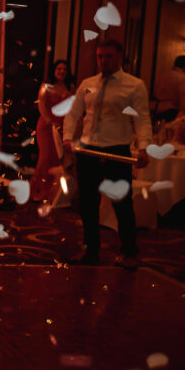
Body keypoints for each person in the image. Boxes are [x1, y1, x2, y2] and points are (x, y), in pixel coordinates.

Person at [63, 39, 152, 269]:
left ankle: (130, 252)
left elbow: (142, 118)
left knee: (121, 203)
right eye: (100, 56)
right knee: (88, 204)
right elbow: (73, 114)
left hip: (117, 150)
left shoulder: (134, 85)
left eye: (109, 56)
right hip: (88, 149)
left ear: (119, 57)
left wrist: (143, 147)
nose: (103, 61)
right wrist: (67, 137)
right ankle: (91, 251)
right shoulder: (87, 84)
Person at [32, 60, 74, 201]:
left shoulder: (70, 87)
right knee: (45, 158)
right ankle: (38, 191)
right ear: (54, 70)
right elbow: (42, 106)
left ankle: (52, 193)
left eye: (64, 69)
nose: (62, 71)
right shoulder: (46, 86)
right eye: (59, 68)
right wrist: (50, 121)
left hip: (63, 128)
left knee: (58, 160)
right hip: (46, 126)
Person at [155, 54, 185, 122]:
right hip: (172, 109)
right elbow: (183, 96)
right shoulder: (181, 77)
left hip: (158, 107)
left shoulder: (163, 75)